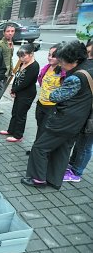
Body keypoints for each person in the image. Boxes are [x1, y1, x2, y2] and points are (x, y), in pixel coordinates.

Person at [22, 41, 93, 190]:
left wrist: (56, 88)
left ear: (73, 61)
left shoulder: (75, 78)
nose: (60, 64)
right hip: (78, 121)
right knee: (62, 150)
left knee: (40, 148)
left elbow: (55, 96)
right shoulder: (89, 69)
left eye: (62, 61)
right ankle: (54, 180)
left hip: (64, 121)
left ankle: (38, 179)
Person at [63, 40, 93, 182]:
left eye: (89, 54)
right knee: (81, 142)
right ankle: (73, 165)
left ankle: (76, 172)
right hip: (86, 114)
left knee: (85, 145)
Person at [0, 44, 39, 142]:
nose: (21, 58)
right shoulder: (22, 63)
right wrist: (13, 89)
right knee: (15, 112)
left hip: (27, 94)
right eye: (20, 56)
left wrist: (14, 90)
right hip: (19, 92)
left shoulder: (34, 66)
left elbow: (26, 83)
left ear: (31, 54)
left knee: (21, 114)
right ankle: (11, 130)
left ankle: (18, 135)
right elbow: (17, 77)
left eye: (24, 56)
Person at [0, 23, 16, 115]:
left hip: (8, 72)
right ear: (4, 33)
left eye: (12, 31)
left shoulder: (11, 43)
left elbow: (10, 58)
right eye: (8, 31)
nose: (10, 33)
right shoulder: (0, 45)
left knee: (1, 92)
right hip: (0, 73)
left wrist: (11, 70)